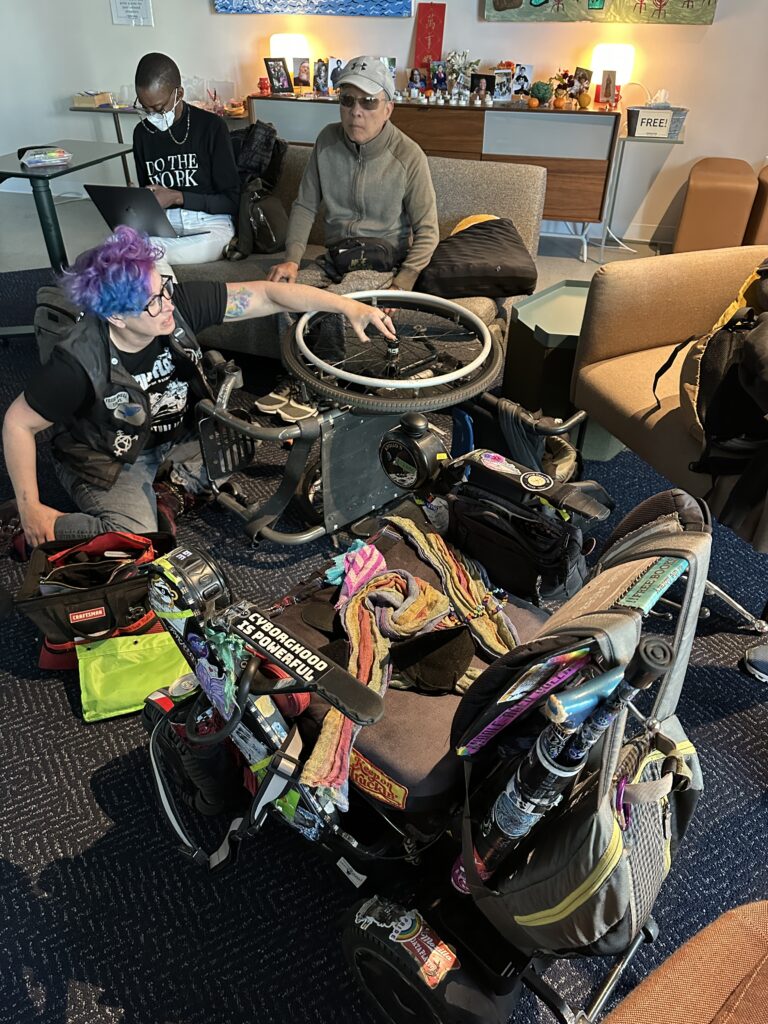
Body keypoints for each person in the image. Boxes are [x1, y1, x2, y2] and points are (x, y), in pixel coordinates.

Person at [0, 227, 396, 551]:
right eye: (153, 302)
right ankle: (32, 524)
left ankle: (168, 491)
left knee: (240, 440)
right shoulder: (76, 363)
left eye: (164, 289)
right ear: (117, 316)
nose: (168, 305)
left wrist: (347, 305)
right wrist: (30, 504)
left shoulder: (176, 305)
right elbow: (17, 424)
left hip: (176, 438)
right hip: (109, 460)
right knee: (140, 544)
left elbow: (268, 294)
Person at [263, 56, 438, 420]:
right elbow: (305, 205)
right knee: (282, 291)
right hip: (337, 255)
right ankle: (294, 378)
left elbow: (428, 231)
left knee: (335, 302)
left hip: (381, 261)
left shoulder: (409, 156)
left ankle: (327, 385)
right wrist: (292, 259)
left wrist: (402, 284)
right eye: (347, 100)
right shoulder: (327, 141)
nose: (356, 111)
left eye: (369, 101)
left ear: (388, 107)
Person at [131, 52, 240, 266]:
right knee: (114, 247)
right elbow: (150, 192)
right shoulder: (142, 133)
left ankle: (163, 289)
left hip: (210, 223)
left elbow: (232, 201)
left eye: (159, 108)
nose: (152, 116)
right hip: (164, 222)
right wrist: (139, 199)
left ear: (179, 93)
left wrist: (177, 197)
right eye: (145, 108)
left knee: (152, 253)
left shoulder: (211, 127)